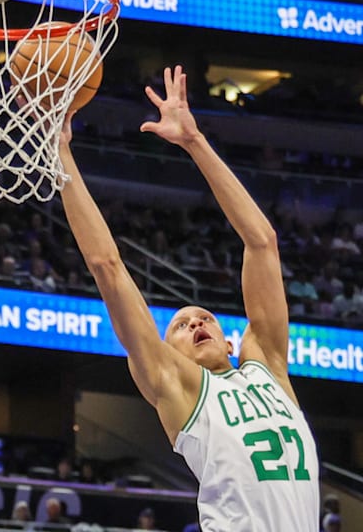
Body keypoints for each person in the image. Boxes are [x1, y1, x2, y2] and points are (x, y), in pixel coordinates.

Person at [57, 66, 319, 531]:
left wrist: (194, 141)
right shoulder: (177, 385)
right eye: (180, 325)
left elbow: (262, 242)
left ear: (230, 340)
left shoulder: (269, 368)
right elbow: (107, 267)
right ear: (168, 350)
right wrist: (61, 155)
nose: (197, 323)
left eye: (205, 319)